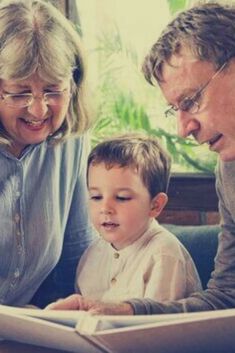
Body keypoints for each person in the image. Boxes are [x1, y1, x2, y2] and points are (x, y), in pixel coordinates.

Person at [46, 2, 235, 314]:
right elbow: (227, 297)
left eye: (191, 100)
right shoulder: (229, 171)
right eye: (176, 109)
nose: (183, 129)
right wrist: (129, 312)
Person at [0, 0, 95, 308]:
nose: (39, 109)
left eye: (54, 90)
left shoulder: (71, 143)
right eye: (20, 92)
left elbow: (75, 261)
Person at [47, 133, 201, 308]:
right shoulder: (92, 253)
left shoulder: (164, 255)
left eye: (121, 198)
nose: (105, 208)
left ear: (155, 205)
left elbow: (157, 328)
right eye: (96, 197)